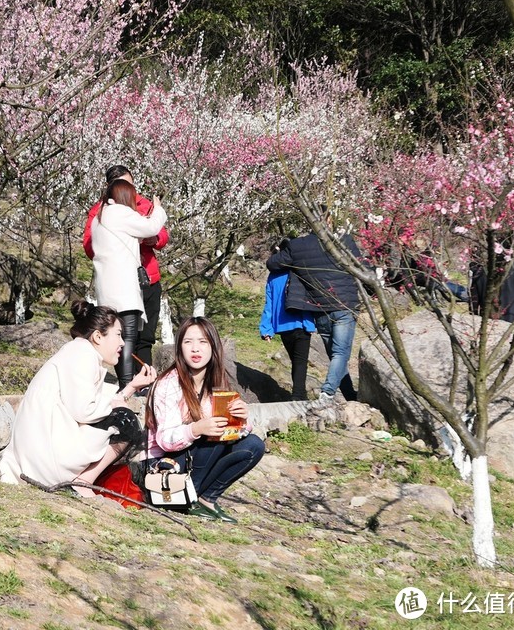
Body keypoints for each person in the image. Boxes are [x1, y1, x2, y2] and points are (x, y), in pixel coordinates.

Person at [0, 301, 157, 496]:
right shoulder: (82, 354)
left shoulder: (80, 352)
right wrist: (117, 403)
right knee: (126, 421)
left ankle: (81, 482)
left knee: (120, 415)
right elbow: (84, 410)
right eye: (118, 335)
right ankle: (82, 483)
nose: (122, 343)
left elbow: (89, 403)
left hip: (43, 449)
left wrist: (131, 387)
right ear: (98, 336)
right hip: (47, 456)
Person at [145, 316, 264, 522]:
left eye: (202, 342)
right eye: (188, 342)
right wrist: (196, 429)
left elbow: (231, 432)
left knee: (254, 445)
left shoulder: (215, 383)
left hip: (192, 460)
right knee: (213, 435)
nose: (195, 349)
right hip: (163, 469)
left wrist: (240, 420)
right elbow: (165, 440)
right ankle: (186, 500)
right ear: (179, 347)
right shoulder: (169, 384)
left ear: (213, 346)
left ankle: (206, 499)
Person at [266, 216, 363, 403]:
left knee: (335, 354)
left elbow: (272, 263)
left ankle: (350, 394)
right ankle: (327, 393)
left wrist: (283, 250)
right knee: (340, 353)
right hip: (344, 305)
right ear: (328, 219)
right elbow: (362, 267)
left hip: (320, 308)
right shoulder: (343, 241)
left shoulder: (298, 246)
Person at [83, 165, 169, 369]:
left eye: (131, 183)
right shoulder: (102, 212)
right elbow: (89, 245)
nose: (131, 189)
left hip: (147, 278)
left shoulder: (142, 204)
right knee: (123, 336)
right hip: (123, 284)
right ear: (112, 187)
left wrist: (153, 240)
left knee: (146, 337)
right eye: (125, 184)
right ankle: (129, 384)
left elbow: (162, 235)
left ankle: (143, 383)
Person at [258, 244, 317, 401]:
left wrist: (266, 329)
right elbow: (304, 301)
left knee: (295, 361)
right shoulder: (298, 272)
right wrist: (310, 324)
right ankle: (298, 397)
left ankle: (300, 395)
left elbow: (268, 304)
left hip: (282, 326)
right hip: (299, 323)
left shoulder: (272, 277)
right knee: (300, 362)